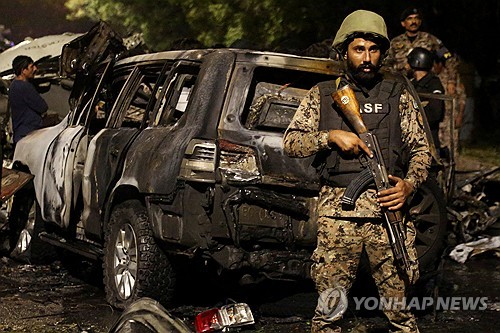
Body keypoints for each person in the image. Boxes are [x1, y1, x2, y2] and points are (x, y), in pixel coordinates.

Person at [283, 10, 431, 333]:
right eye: (359, 49)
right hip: (338, 218)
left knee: (402, 317)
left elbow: (422, 150)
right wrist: (330, 137)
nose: (366, 57)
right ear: (344, 51)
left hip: (387, 216)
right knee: (328, 316)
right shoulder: (323, 96)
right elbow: (291, 142)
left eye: (373, 50)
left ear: (382, 54)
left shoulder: (397, 95)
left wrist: (408, 185)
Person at [387, 7, 458, 95]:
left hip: (426, 85)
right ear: (403, 23)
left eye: (416, 18)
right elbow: (387, 64)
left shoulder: (430, 40)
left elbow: (448, 59)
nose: (414, 21)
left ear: (420, 21)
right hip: (402, 84)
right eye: (410, 19)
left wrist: (451, 81)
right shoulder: (395, 43)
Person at [407, 47, 445, 151]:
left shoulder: (433, 84)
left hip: (428, 141)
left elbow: (436, 113)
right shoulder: (411, 84)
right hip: (412, 139)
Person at [433, 47, 466, 160]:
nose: (433, 68)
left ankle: (452, 172)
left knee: (451, 147)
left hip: (450, 119)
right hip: (437, 119)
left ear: (440, 64)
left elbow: (462, 97)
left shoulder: (452, 78)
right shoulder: (431, 78)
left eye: (434, 65)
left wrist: (460, 115)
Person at [8, 55, 48, 148]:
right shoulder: (25, 87)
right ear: (23, 70)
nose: (35, 69)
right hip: (30, 134)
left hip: (20, 135)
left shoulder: (13, 85)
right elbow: (42, 107)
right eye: (31, 67)